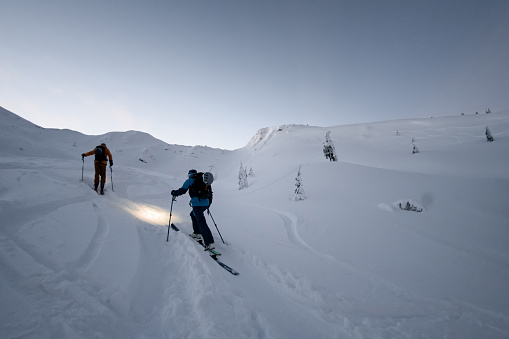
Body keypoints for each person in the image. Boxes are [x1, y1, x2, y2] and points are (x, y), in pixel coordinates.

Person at [171, 169, 215, 250]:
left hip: (197, 205)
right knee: (193, 215)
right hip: (205, 204)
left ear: (190, 174)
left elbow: (182, 190)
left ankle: (210, 243)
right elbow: (210, 193)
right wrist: (208, 205)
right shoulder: (204, 180)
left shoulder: (190, 180)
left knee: (201, 221)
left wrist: (174, 193)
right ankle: (197, 233)